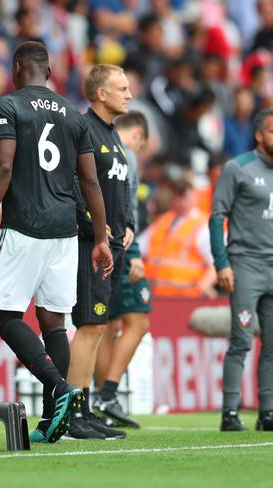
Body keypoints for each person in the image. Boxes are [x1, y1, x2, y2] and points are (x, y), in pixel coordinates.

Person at [0, 41, 113, 444]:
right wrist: (101, 237)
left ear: (17, 68)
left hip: (24, 225)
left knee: (4, 316)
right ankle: (56, 420)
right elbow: (90, 181)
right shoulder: (74, 114)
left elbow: (3, 166)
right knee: (54, 320)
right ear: (49, 72)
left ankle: (57, 386)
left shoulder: (9, 106)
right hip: (66, 232)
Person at [67, 64, 134, 441]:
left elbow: (118, 188)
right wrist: (92, 222)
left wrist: (128, 227)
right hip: (91, 246)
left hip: (113, 245)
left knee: (97, 326)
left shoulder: (111, 134)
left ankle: (85, 409)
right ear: (101, 94)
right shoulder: (83, 128)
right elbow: (75, 180)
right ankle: (73, 415)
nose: (129, 94)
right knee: (89, 325)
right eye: (121, 88)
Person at [210, 108, 273, 432]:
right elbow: (216, 216)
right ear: (260, 135)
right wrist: (222, 263)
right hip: (246, 265)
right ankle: (230, 413)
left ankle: (268, 412)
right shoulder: (238, 168)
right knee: (242, 339)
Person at [93, 111, 151, 429]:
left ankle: (102, 400)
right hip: (123, 244)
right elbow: (128, 207)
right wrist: (137, 251)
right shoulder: (125, 153)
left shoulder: (100, 147)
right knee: (138, 321)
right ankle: (108, 393)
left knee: (107, 324)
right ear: (139, 135)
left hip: (99, 239)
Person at [140, 179, 217, 299]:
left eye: (185, 196)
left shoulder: (203, 226)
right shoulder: (162, 221)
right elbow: (140, 250)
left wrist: (202, 287)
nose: (181, 201)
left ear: (194, 197)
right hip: (155, 297)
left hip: (186, 299)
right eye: (177, 196)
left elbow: (217, 263)